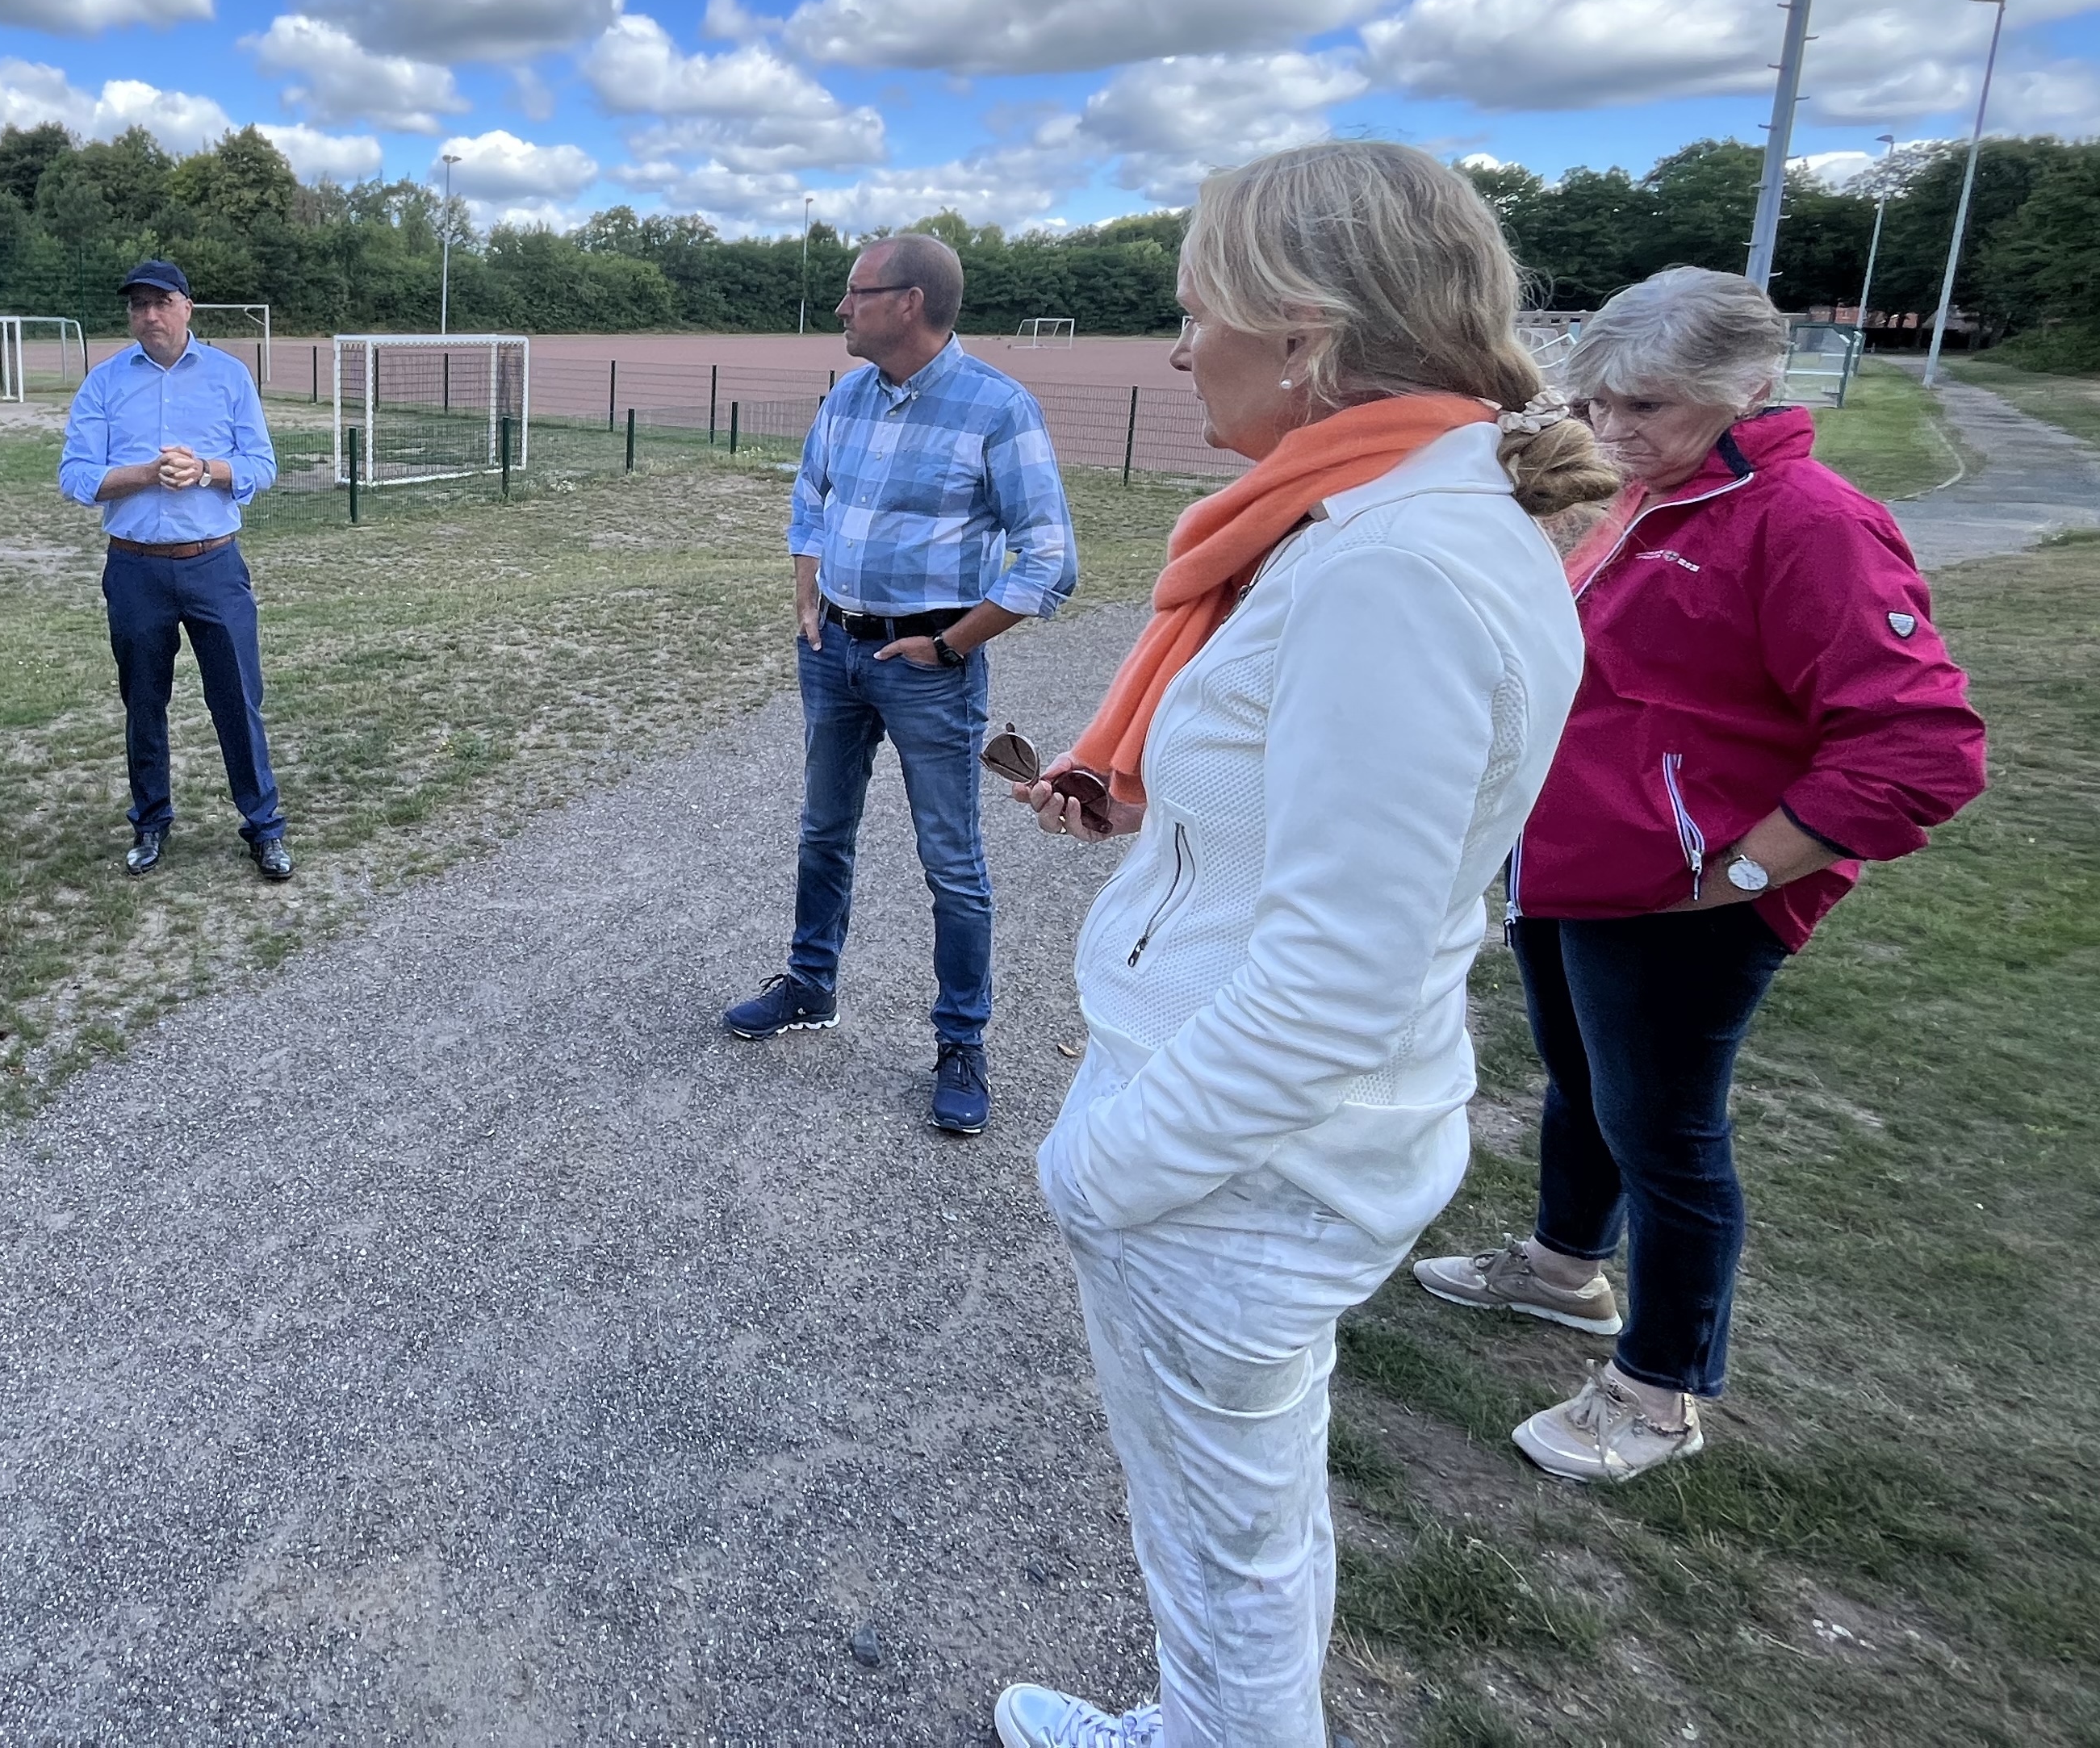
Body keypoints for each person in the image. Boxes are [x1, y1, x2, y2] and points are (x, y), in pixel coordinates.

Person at [989, 143, 1616, 1748]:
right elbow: (1327, 835)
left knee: (1222, 1543)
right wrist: (1156, 815)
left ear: (1304, 332)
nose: (1177, 347)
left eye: (1195, 311)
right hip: (1278, 1146)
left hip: (1240, 1176)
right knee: (1237, 1528)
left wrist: (1102, 1167)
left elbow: (1335, 973)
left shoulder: (1388, 565)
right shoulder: (1400, 519)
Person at [1412, 267, 1985, 1484]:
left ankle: (1660, 1389)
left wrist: (1728, 871)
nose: (1613, 431)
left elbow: (1921, 751)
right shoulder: (1640, 493)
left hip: (1684, 900)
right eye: (1597, 402)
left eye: (1648, 409)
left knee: (1667, 1131)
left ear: (1747, 391)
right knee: (1583, 1084)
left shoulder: (1809, 522)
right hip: (1575, 865)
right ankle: (1566, 1267)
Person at [725, 232, 1078, 1138]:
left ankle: (961, 1042)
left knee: (951, 863)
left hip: (928, 669)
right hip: (831, 652)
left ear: (909, 302)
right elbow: (813, 494)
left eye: (856, 291)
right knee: (822, 830)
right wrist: (808, 589)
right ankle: (810, 985)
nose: (842, 307)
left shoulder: (998, 408)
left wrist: (953, 645)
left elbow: (1049, 560)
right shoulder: (848, 395)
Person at [57, 260, 289, 881]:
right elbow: (75, 477)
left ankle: (264, 827)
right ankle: (151, 822)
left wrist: (208, 470)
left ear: (188, 307)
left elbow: (262, 464)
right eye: (138, 305)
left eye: (161, 302)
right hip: (135, 569)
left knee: (237, 699)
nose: (149, 315)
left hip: (213, 562)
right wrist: (145, 474)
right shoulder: (104, 384)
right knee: (144, 702)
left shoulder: (228, 376)